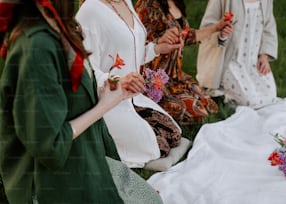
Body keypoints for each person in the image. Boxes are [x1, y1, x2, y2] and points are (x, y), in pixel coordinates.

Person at [0, 0, 163, 203]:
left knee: (150, 199)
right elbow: (50, 146)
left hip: (83, 155)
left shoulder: (61, 23)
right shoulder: (36, 46)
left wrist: (109, 91)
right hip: (50, 184)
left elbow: (78, 91)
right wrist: (104, 105)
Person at [76, 0, 185, 167]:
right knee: (158, 146)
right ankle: (99, 139)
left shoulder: (126, 1)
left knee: (174, 134)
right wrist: (118, 81)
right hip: (106, 102)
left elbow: (130, 52)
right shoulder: (90, 10)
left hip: (133, 97)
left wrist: (156, 48)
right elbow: (84, 70)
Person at [135, 0, 233, 125]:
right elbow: (136, 41)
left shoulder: (177, 3)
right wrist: (159, 40)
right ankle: (153, 108)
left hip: (176, 76)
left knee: (209, 105)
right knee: (193, 112)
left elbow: (187, 36)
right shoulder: (148, 4)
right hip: (154, 78)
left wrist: (216, 28)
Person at [197, 0, 278, 109]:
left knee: (271, 97)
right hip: (230, 62)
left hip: (253, 61)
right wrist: (221, 35)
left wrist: (264, 56)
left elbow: (269, 27)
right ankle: (221, 92)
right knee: (250, 102)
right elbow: (207, 27)